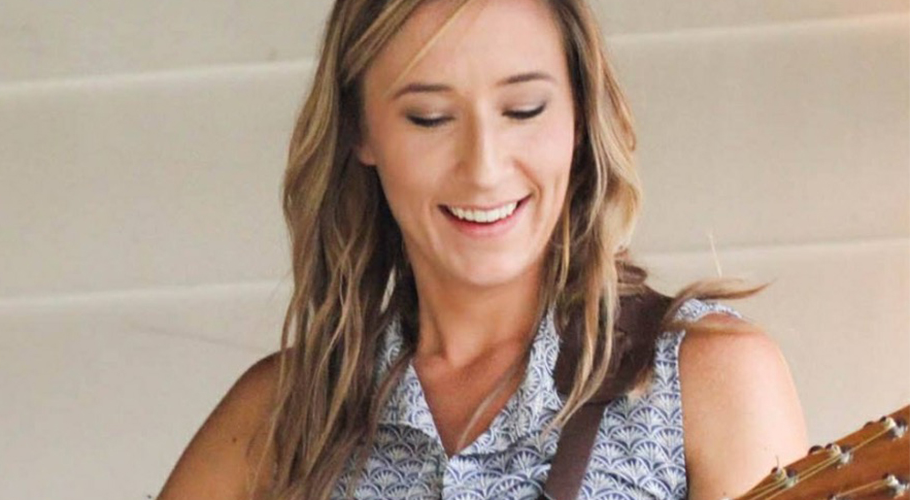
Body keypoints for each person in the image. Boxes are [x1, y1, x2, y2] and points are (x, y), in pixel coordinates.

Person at [158, 0, 809, 498]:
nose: (484, 167)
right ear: (361, 130)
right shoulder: (280, 415)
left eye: (524, 110)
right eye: (430, 118)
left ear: (580, 117)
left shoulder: (708, 383)